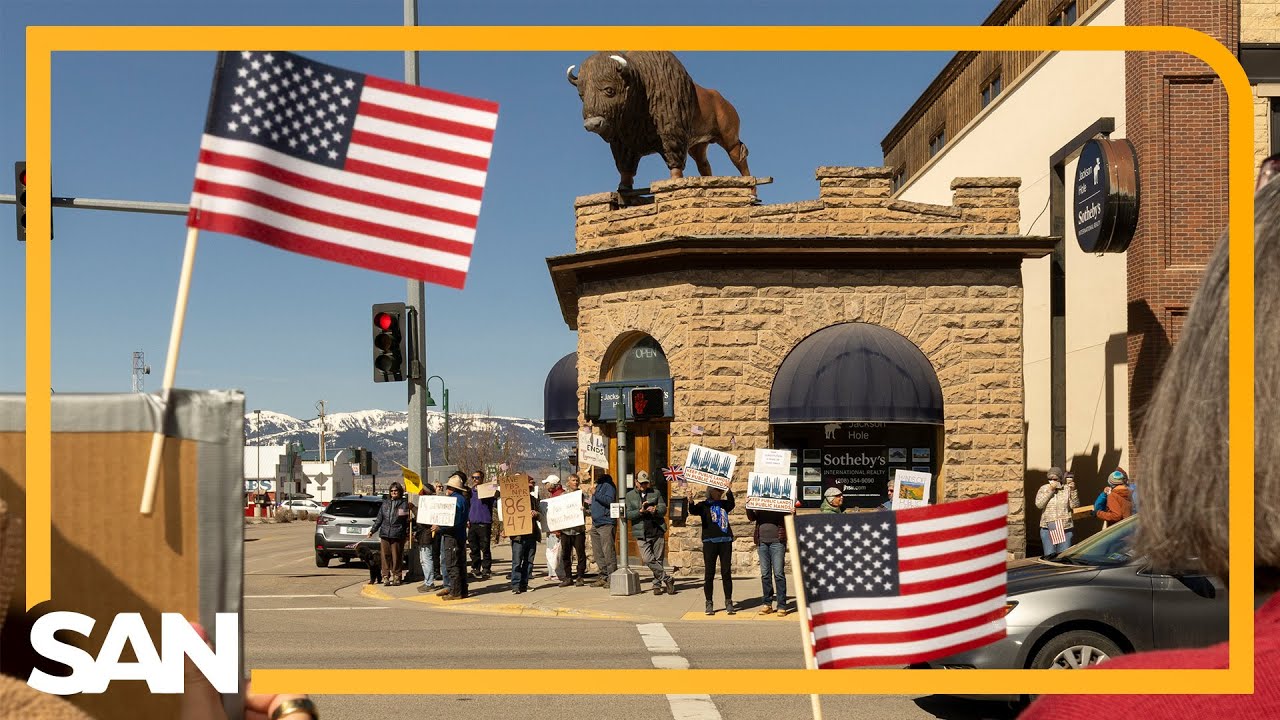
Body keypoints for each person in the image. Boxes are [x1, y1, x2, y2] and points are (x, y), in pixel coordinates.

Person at [1018, 156, 1280, 718]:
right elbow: (1077, 508)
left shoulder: (1114, 705)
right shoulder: (1069, 495)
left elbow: (1119, 509)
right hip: (1063, 536)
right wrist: (1069, 505)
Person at [626, 471, 675, 595]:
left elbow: (664, 509)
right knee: (648, 559)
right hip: (641, 533)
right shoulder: (630, 495)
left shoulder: (656, 492)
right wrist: (640, 511)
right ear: (636, 482)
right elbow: (628, 514)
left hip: (657, 530)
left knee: (658, 560)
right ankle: (667, 579)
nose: (643, 485)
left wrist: (655, 510)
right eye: (641, 483)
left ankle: (656, 585)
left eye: (646, 483)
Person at [690, 486, 736, 615]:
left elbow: (732, 504)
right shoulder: (704, 505)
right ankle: (709, 602)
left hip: (725, 540)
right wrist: (690, 500)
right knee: (709, 574)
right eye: (718, 491)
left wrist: (729, 490)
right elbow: (693, 510)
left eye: (721, 491)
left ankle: (728, 601)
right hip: (710, 541)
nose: (720, 493)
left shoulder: (724, 504)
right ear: (711, 492)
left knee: (726, 572)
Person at [746, 506, 788, 615]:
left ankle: (781, 605)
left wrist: (792, 512)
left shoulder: (780, 501)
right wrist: (748, 507)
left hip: (777, 542)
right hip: (762, 542)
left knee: (778, 574)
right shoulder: (760, 502)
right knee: (765, 574)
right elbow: (752, 518)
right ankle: (767, 604)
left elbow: (789, 519)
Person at [366, 482, 410, 586]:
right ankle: (385, 576)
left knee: (396, 556)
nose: (394, 492)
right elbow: (379, 519)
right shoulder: (385, 503)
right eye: (392, 491)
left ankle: (397, 576)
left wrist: (408, 533)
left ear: (400, 492)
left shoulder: (404, 504)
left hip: (398, 533)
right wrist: (372, 530)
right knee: (385, 556)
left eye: (396, 491)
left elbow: (407, 521)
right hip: (385, 533)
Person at [508, 475, 542, 594]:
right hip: (518, 535)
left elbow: (541, 515)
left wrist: (536, 513)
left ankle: (524, 584)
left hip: (531, 534)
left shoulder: (533, 499)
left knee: (529, 561)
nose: (532, 485)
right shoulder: (513, 499)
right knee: (517, 561)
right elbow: (508, 515)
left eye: (533, 483)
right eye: (530, 483)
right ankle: (516, 585)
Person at [438, 473, 469, 601]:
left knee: (452, 564)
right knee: (460, 563)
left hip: (452, 536)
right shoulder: (462, 499)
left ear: (452, 488)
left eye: (448, 488)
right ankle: (462, 590)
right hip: (460, 535)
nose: (446, 490)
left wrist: (440, 527)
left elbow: (452, 519)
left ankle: (455, 592)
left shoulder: (454, 501)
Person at [1033, 466, 1077, 556]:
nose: (1052, 481)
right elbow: (1039, 504)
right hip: (1048, 527)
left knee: (1063, 556)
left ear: (1060, 478)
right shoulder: (1044, 488)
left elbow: (1074, 505)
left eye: (1055, 479)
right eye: (1050, 479)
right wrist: (1051, 490)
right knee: (1050, 555)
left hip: (1065, 527)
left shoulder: (1066, 489)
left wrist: (1073, 490)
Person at [557, 473, 590, 586]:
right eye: (573, 480)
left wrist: (584, 510)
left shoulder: (583, 495)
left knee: (581, 554)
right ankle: (568, 577)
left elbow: (590, 510)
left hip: (578, 529)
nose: (575, 482)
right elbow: (558, 511)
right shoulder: (563, 496)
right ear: (568, 482)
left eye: (577, 480)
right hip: (566, 530)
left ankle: (580, 576)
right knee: (566, 554)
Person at [590, 472, 618, 586]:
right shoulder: (597, 485)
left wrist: (595, 493)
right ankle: (603, 575)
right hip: (596, 524)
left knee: (608, 552)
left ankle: (612, 578)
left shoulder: (608, 485)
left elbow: (609, 501)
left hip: (606, 523)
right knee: (598, 553)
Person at [467, 469, 496, 580]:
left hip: (484, 523)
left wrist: (494, 494)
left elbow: (494, 504)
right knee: (474, 548)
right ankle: (475, 568)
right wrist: (467, 519)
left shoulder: (487, 491)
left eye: (477, 477)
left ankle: (486, 569)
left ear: (482, 479)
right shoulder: (470, 492)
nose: (475, 479)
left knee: (485, 547)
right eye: (473, 477)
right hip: (473, 523)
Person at [414, 484, 439, 592]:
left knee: (426, 560)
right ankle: (427, 581)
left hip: (426, 535)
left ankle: (429, 582)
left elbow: (423, 520)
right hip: (423, 536)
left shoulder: (429, 505)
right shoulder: (427, 504)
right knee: (424, 560)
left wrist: (414, 509)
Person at [542, 475, 565, 582]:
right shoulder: (552, 496)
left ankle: (557, 573)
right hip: (550, 528)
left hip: (557, 529)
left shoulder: (561, 495)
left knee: (557, 552)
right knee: (550, 551)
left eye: (547, 483)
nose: (545, 485)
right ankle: (551, 572)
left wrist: (558, 529)